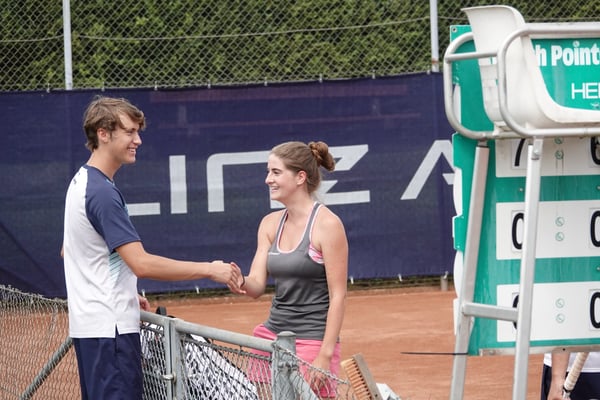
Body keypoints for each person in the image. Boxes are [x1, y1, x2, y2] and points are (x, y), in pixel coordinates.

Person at [62, 95, 242, 400]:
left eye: (137, 132)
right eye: (129, 132)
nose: (138, 140)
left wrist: (123, 290)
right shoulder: (102, 193)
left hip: (95, 329)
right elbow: (141, 264)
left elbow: (72, 249)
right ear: (103, 134)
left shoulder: (82, 182)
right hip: (111, 333)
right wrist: (210, 270)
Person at [230, 141, 349, 398]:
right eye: (268, 172)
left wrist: (325, 354)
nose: (268, 179)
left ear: (300, 177)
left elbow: (338, 296)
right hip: (270, 338)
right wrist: (239, 280)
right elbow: (256, 286)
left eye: (276, 172)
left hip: (312, 342)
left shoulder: (328, 225)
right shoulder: (269, 224)